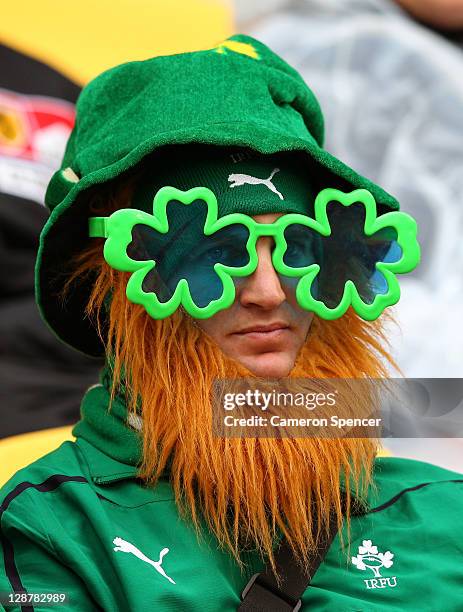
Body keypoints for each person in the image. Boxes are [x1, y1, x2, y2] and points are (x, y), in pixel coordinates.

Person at [0, 34, 461, 611]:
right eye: (202, 253)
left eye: (303, 247)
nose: (269, 293)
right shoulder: (55, 528)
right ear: (107, 284)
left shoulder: (443, 510)